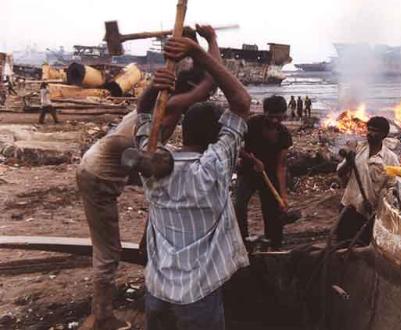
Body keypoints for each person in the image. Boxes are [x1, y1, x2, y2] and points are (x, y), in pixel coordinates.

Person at [76, 25, 220, 330]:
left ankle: (145, 244)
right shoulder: (167, 108)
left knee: (163, 189)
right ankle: (101, 317)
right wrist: (210, 43)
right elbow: (209, 83)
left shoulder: (164, 108)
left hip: (121, 166)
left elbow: (207, 81)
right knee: (108, 251)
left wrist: (198, 47)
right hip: (98, 176)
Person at [136, 33, 251, 330]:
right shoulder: (213, 169)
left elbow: (144, 114)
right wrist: (199, 52)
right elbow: (241, 103)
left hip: (158, 289)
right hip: (198, 293)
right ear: (215, 137)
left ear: (183, 131)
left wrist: (155, 85)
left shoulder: (151, 165)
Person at [234, 95, 292, 250]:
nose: (274, 121)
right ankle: (242, 240)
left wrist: (283, 196)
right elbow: (235, 145)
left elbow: (281, 166)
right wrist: (252, 160)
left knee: (272, 210)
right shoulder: (252, 124)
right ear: (265, 112)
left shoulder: (284, 134)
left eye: (279, 117)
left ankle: (274, 243)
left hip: (270, 174)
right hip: (248, 171)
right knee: (238, 205)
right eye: (271, 116)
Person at [336, 116, 399, 245]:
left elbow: (391, 187)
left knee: (362, 247)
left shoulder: (390, 159)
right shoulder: (358, 150)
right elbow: (340, 173)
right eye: (369, 129)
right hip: (349, 206)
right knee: (342, 245)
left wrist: (378, 203)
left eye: (375, 130)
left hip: (370, 213)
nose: (370, 133)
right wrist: (348, 162)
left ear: (383, 134)